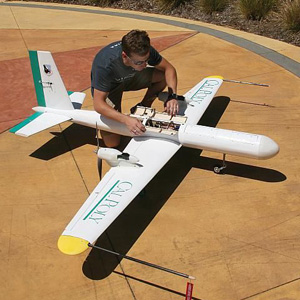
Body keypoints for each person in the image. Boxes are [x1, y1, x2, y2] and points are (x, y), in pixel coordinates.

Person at [91, 29, 179, 148]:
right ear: (124, 56)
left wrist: (172, 95)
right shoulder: (105, 65)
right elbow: (98, 104)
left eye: (146, 60)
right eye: (139, 62)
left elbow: (169, 69)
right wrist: (126, 119)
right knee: (113, 143)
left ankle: (143, 106)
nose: (145, 65)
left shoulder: (143, 50)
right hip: (110, 87)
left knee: (162, 76)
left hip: (131, 77)